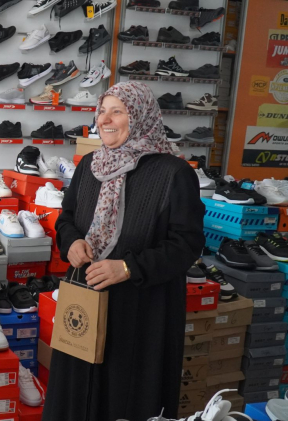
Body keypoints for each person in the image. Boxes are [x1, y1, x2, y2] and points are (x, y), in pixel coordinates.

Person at [42, 81, 206, 420]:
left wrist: (128, 267)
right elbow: (67, 217)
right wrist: (71, 242)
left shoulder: (173, 173)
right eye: (102, 111)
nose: (104, 120)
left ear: (141, 116)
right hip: (84, 301)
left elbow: (187, 244)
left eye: (117, 112)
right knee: (75, 396)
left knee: (125, 398)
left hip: (140, 312)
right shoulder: (90, 165)